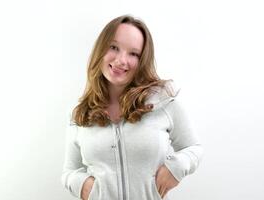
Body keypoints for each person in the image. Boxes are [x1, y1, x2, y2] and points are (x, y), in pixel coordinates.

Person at [61, 15, 203, 200]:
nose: (121, 60)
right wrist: (84, 187)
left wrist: (176, 168)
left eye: (133, 54)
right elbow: (70, 171)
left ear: (142, 60)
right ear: (101, 49)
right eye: (114, 47)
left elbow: (193, 147)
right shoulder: (81, 113)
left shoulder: (162, 101)